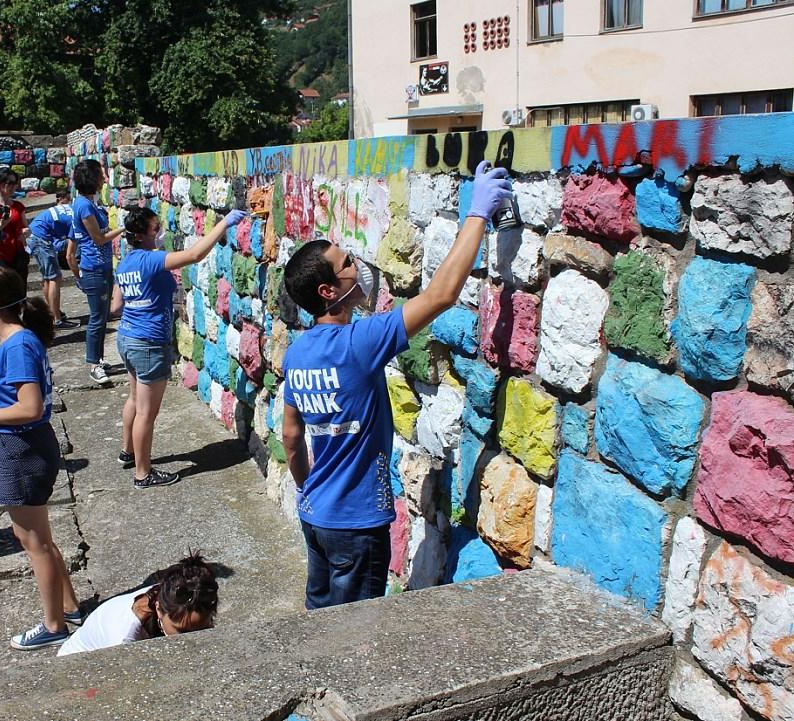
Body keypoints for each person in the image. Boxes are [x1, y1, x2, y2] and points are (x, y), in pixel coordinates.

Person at [280, 161, 512, 610]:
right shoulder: (359, 343)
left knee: (317, 625)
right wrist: (478, 213)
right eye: (346, 263)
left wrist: (309, 488)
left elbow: (292, 436)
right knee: (357, 636)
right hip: (357, 526)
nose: (357, 266)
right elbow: (441, 295)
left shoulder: (297, 353)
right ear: (329, 290)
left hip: (315, 516)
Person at [0, 267, 82, 649]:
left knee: (32, 541)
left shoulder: (17, 345)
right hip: (23, 447)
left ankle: (53, 626)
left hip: (23, 449)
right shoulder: (16, 341)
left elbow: (30, 406)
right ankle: (70, 607)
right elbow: (15, 395)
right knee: (41, 537)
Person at [110, 207, 247, 487]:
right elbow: (194, 255)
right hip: (148, 343)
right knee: (147, 412)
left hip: (126, 337)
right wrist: (224, 224)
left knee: (135, 399)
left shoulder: (125, 264)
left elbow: (115, 306)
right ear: (143, 234)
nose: (160, 232)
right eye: (155, 228)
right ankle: (143, 473)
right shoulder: (151, 261)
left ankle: (128, 451)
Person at [57, 552, 218, 656]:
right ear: (158, 609)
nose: (194, 639)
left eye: (203, 629)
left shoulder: (174, 593)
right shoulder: (125, 638)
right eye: (182, 631)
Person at [68, 160, 125, 386]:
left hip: (101, 267)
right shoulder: (83, 206)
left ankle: (99, 358)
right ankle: (93, 364)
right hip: (93, 269)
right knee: (96, 318)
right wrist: (123, 228)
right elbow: (98, 238)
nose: (104, 179)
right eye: (101, 175)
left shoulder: (89, 204)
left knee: (102, 316)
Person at [26, 191, 78, 329]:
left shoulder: (69, 210)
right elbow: (69, 256)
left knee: (48, 278)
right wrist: (79, 277)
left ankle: (53, 312)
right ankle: (56, 319)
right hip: (41, 239)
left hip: (35, 236)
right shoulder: (76, 220)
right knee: (55, 277)